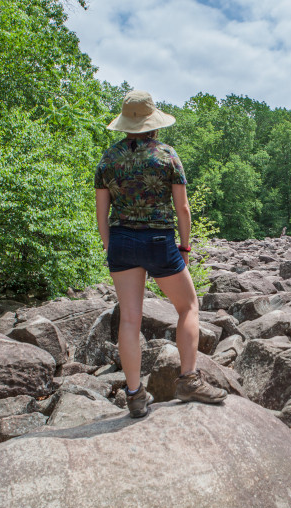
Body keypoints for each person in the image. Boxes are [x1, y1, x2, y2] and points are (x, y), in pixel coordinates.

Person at [95, 90, 227, 418]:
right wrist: (184, 246)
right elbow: (182, 208)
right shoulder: (167, 155)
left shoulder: (108, 159)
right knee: (188, 307)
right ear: (154, 123)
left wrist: (110, 245)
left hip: (122, 241)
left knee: (129, 319)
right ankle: (188, 380)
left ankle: (135, 396)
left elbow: (101, 213)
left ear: (125, 124)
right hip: (158, 241)